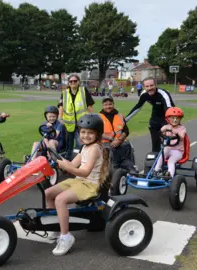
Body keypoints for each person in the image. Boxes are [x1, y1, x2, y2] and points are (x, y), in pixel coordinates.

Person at [44, 113, 111, 256]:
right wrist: (57, 160)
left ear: (97, 134)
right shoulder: (85, 148)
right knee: (48, 193)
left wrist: (66, 166)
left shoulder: (95, 149)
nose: (86, 136)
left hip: (89, 185)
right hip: (79, 181)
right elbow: (73, 164)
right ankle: (55, 226)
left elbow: (85, 172)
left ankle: (66, 237)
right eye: (83, 132)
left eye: (90, 133)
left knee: (60, 199)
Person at [125, 77, 175, 153]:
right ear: (144, 87)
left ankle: (170, 157)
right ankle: (155, 157)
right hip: (155, 116)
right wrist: (125, 120)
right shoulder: (144, 94)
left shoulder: (163, 94)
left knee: (168, 143)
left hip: (168, 116)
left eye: (152, 85)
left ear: (156, 85)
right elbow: (138, 107)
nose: (149, 88)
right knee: (155, 143)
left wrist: (170, 124)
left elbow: (169, 109)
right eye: (147, 86)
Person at [58, 74, 95, 160]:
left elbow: (90, 105)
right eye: (71, 81)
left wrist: (92, 117)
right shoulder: (64, 93)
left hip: (82, 124)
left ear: (79, 82)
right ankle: (68, 162)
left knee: (80, 144)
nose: (73, 83)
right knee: (68, 145)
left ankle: (81, 162)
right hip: (69, 124)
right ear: (68, 83)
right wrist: (60, 117)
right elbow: (61, 106)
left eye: (75, 81)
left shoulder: (83, 91)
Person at [99, 97, 138, 174]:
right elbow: (97, 133)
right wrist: (112, 140)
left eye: (110, 104)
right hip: (106, 142)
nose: (108, 106)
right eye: (105, 105)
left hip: (119, 141)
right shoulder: (98, 117)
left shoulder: (119, 115)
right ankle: (115, 168)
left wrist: (119, 140)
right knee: (112, 148)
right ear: (102, 106)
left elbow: (125, 130)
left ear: (113, 104)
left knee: (127, 145)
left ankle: (129, 166)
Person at [154, 107, 187, 178]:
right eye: (173, 118)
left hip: (178, 151)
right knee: (161, 155)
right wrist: (161, 132)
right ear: (168, 119)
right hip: (168, 149)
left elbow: (181, 136)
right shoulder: (167, 127)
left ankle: (170, 175)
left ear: (180, 119)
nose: (175, 120)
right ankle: (156, 170)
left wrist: (175, 131)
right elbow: (161, 132)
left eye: (177, 118)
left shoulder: (182, 128)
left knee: (170, 161)